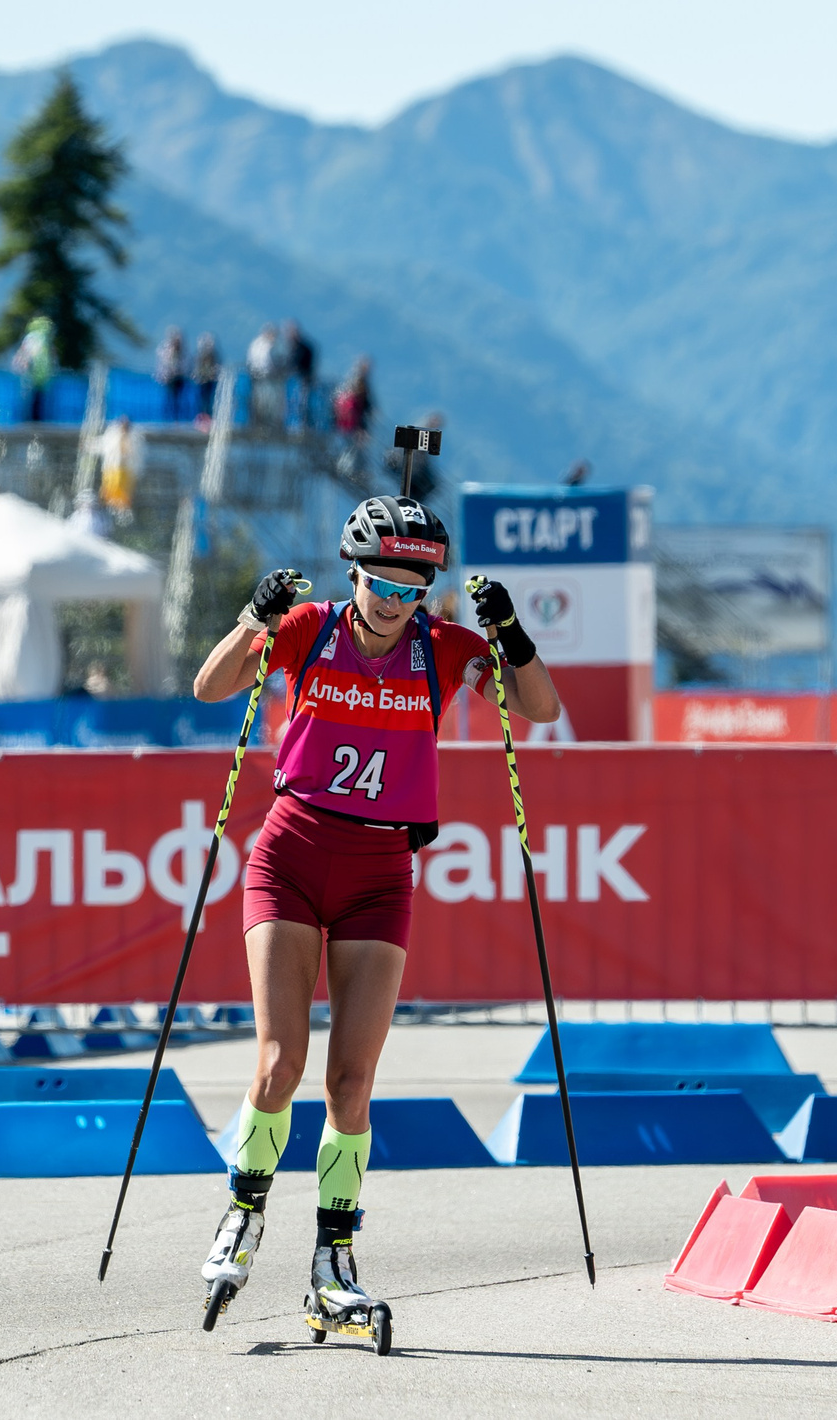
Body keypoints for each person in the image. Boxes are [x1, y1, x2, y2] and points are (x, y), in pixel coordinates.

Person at [189, 495, 559, 1339]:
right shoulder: (311, 629)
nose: (393, 602)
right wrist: (254, 614)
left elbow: (539, 708)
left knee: (352, 1082)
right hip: (290, 855)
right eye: (381, 582)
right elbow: (211, 687)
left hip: (382, 871)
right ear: (353, 570)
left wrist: (510, 632)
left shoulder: (442, 648)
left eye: (413, 587)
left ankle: (333, 1263)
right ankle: (241, 1219)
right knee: (281, 1061)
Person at [154, 327, 186, 422]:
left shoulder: (182, 352)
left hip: (179, 378)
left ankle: (176, 418)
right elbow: (163, 364)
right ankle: (167, 418)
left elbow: (185, 365)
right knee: (169, 398)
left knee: (178, 399)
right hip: (169, 379)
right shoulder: (166, 350)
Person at [191, 333, 221, 423]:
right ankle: (202, 417)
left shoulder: (214, 355)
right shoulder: (200, 355)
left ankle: (208, 417)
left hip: (210, 380)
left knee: (209, 400)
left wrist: (213, 375)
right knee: (202, 400)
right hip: (202, 381)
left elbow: (216, 367)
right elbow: (197, 368)